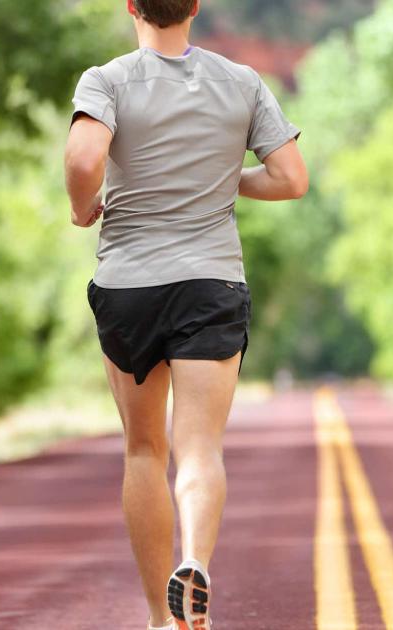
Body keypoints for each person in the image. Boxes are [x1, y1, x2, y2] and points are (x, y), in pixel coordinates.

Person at [62, 0, 308, 627]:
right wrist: (226, 179)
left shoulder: (107, 80)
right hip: (209, 283)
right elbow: (290, 178)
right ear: (194, 7)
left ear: (131, 6)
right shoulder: (242, 81)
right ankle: (193, 561)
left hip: (130, 286)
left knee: (144, 450)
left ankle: (158, 618)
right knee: (199, 449)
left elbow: (84, 161)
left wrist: (82, 207)